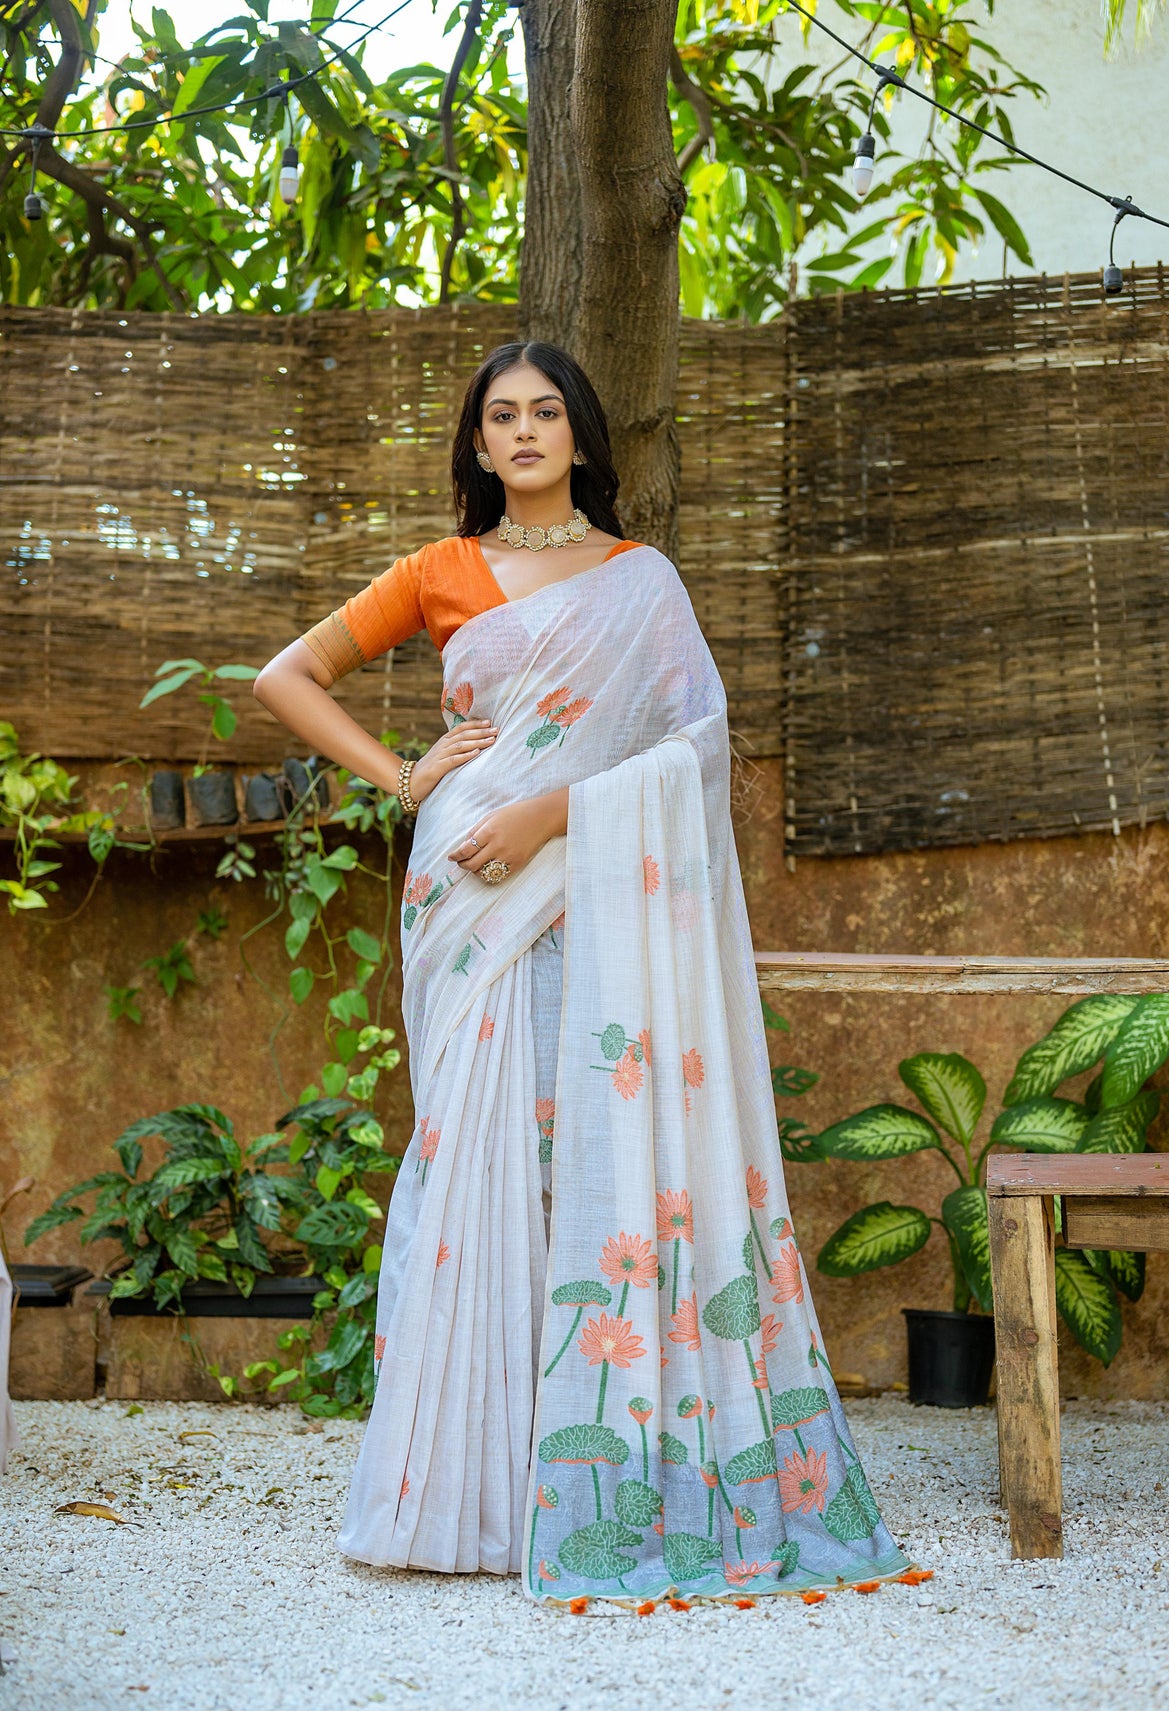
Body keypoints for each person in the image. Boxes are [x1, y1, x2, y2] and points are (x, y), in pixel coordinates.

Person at [253, 341, 915, 1607]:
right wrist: (404, 780)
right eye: (499, 416)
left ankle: (587, 1488)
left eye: (544, 412)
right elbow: (288, 678)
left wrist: (554, 814)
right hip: (468, 890)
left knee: (580, 1159)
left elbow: (693, 749)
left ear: (579, 435)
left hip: (577, 882)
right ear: (479, 443)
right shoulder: (435, 572)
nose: (521, 432)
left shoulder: (637, 579)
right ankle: (462, 1498)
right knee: (475, 1163)